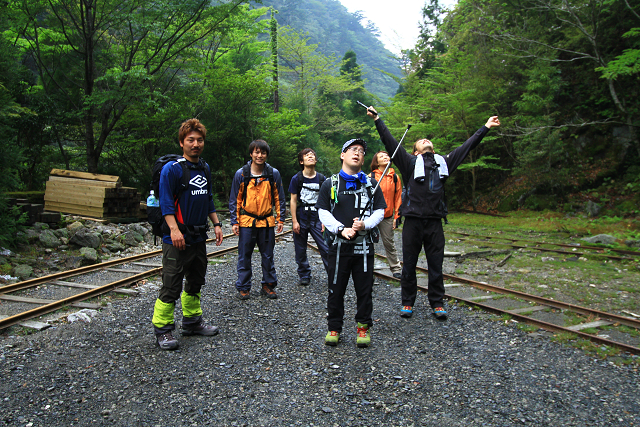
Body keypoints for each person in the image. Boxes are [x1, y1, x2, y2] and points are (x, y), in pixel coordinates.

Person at [367, 106, 500, 320]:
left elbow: (467, 147)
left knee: (435, 265)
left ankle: (437, 302)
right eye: (421, 141)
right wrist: (377, 119)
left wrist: (486, 127)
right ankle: (407, 302)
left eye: (428, 140)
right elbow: (391, 143)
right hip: (412, 221)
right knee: (409, 265)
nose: (426, 140)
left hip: (434, 222)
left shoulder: (444, 163)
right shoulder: (409, 163)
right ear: (415, 151)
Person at [152, 118, 224, 351]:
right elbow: (165, 203)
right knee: (171, 284)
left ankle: (192, 322)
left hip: (198, 237)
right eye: (190, 140)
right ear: (182, 142)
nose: (195, 144)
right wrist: (173, 230)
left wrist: (217, 224)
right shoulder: (171, 170)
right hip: (176, 237)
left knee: (195, 281)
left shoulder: (204, 167)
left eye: (199, 140)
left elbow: (208, 197)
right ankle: (163, 329)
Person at [316, 138, 386, 348]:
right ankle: (334, 327)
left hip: (364, 248)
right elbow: (323, 210)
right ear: (342, 155)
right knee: (335, 289)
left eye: (361, 151)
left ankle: (363, 328)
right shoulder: (331, 183)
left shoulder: (372, 184)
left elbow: (380, 211)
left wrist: (365, 225)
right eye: (352, 150)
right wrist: (340, 229)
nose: (357, 153)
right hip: (338, 247)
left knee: (365, 290)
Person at [229, 139, 286, 300]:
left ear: (267, 155)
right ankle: (244, 286)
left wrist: (281, 219)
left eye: (263, 152)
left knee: (268, 255)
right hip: (247, 221)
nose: (259, 155)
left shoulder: (272, 173)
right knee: (244, 254)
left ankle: (268, 285)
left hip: (267, 221)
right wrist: (235, 221)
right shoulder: (241, 174)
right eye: (257, 152)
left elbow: (279, 198)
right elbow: (235, 200)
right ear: (251, 153)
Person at [289, 148, 330, 285]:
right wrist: (294, 221)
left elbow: (326, 201)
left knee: (325, 247)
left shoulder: (322, 179)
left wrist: (325, 221)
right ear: (302, 161)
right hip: (302, 215)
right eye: (307, 155)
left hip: (317, 216)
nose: (311, 157)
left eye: (312, 155)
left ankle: (332, 274)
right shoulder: (297, 178)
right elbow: (293, 201)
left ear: (316, 160)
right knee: (300, 249)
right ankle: (304, 274)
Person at [369, 151, 403, 279]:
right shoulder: (371, 176)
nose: (385, 157)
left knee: (389, 243)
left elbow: (398, 198)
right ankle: (367, 268)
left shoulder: (395, 177)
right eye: (382, 156)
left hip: (387, 216)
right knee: (369, 242)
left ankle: (395, 268)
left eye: (387, 156)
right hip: (372, 216)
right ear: (376, 162)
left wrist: (396, 216)